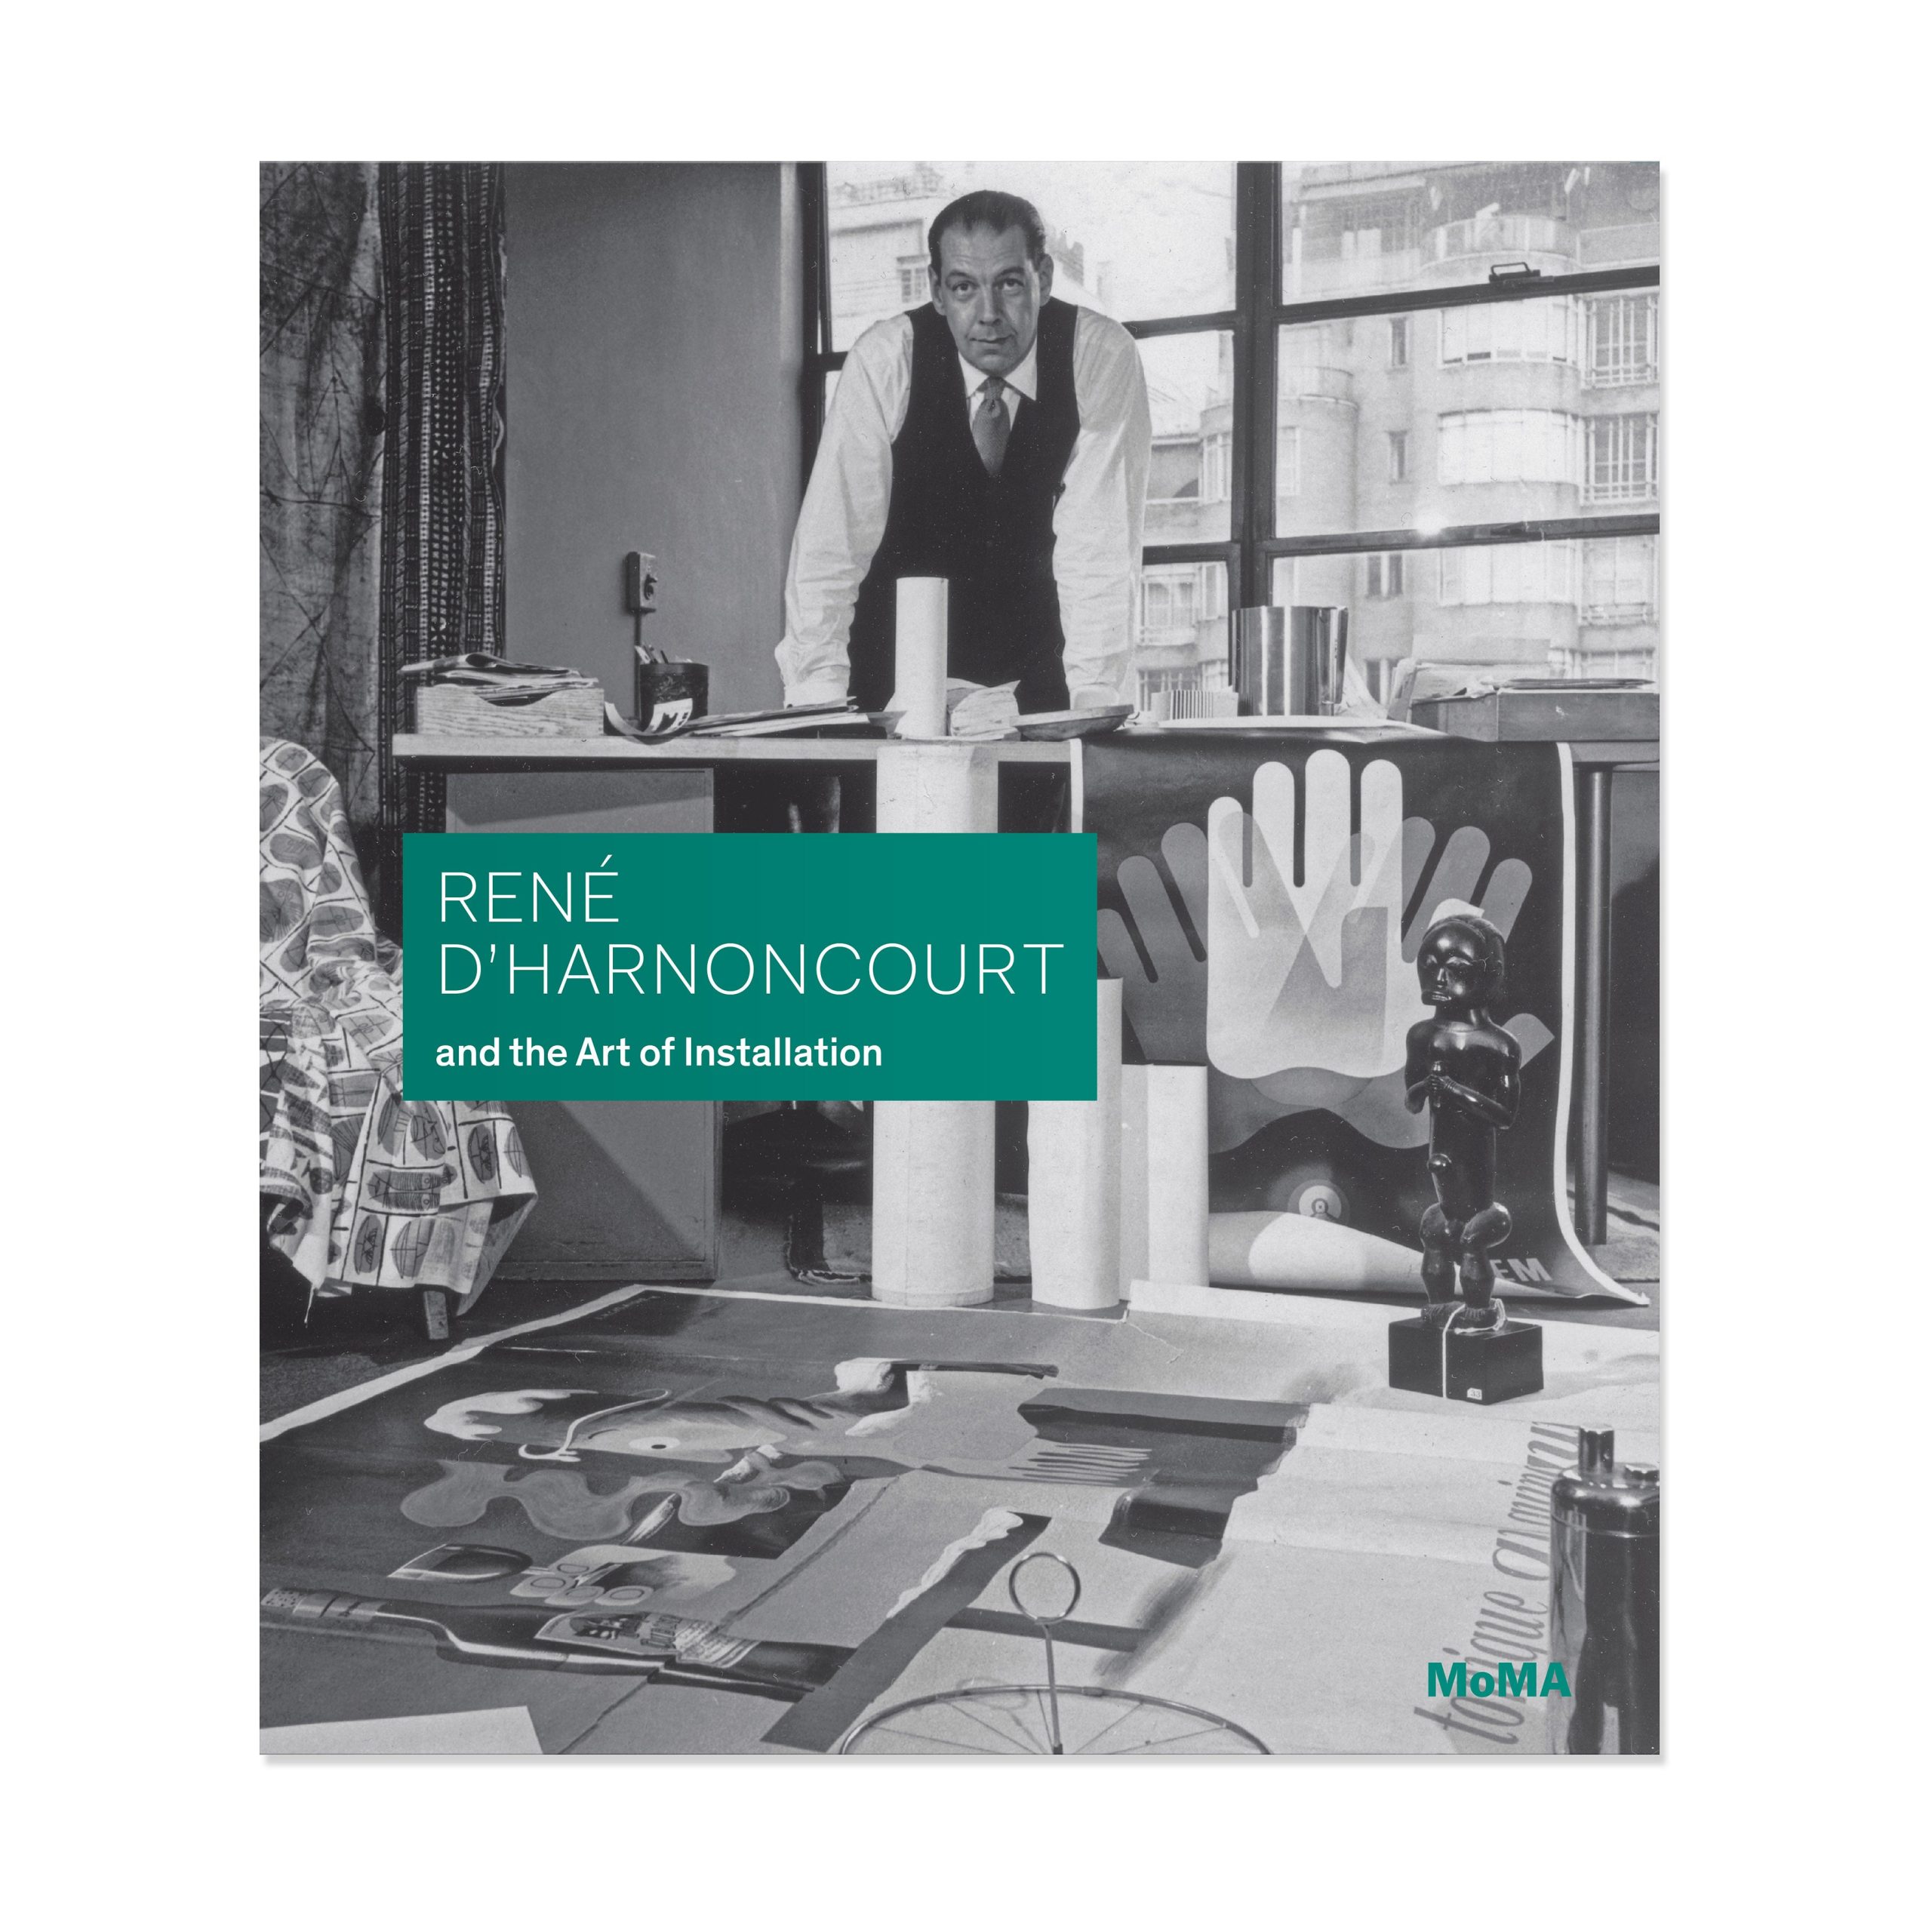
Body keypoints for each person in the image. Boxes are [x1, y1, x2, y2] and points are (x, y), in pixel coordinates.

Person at [777, 189, 1152, 716]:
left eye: (1010, 283)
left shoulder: (1098, 357)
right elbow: (830, 550)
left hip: (1040, 695)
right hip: (890, 688)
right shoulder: (886, 361)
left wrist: (1091, 710)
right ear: (936, 290)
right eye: (964, 288)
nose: (988, 314)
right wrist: (817, 708)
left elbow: (1099, 553)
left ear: (1044, 278)